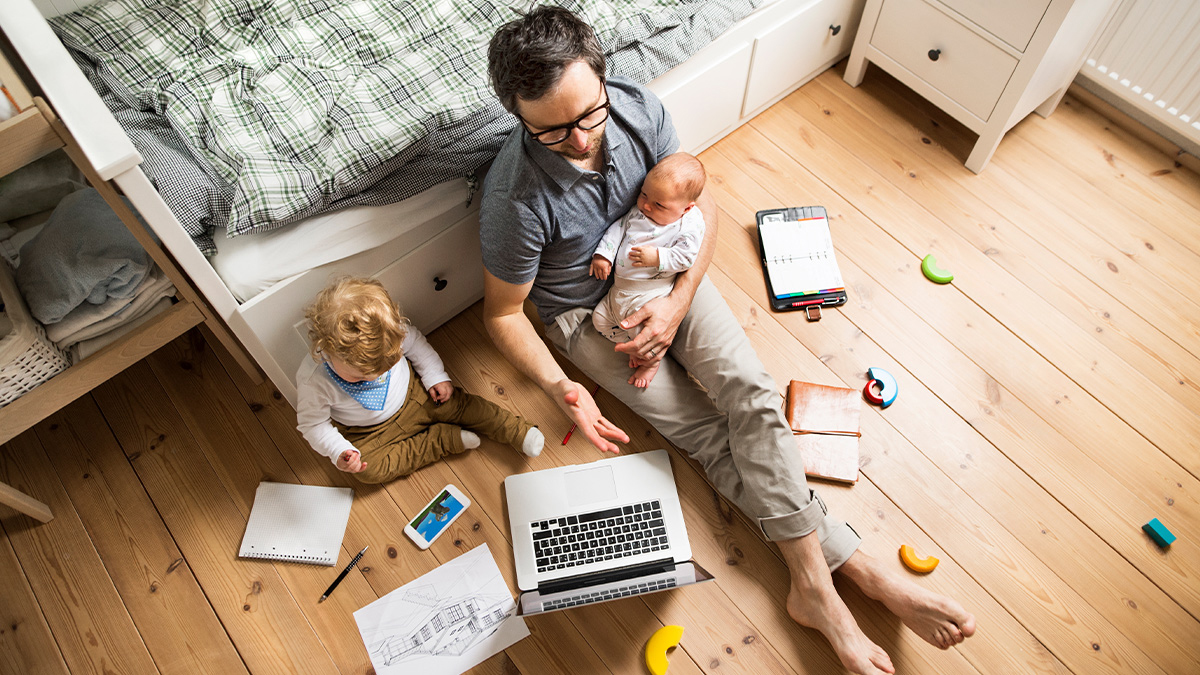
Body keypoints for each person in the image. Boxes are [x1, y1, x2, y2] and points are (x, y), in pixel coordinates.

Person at [478, 6, 975, 674]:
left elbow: (702, 204)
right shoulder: (513, 199)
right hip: (588, 313)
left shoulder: (635, 108)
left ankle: (820, 586)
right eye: (552, 130)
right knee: (708, 433)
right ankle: (847, 575)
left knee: (753, 394)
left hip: (663, 270)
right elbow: (504, 313)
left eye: (587, 114)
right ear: (517, 116)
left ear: (602, 77)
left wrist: (678, 306)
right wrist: (563, 385)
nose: (579, 140)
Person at [296, 277, 544, 483]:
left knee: (464, 405)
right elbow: (313, 425)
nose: (377, 377)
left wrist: (435, 376)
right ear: (326, 349)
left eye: (386, 367)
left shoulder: (391, 330)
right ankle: (441, 440)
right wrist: (340, 451)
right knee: (368, 471)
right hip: (368, 432)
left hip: (418, 394)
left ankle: (517, 431)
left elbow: (418, 348)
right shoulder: (314, 380)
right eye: (360, 376)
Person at [589, 152, 706, 388]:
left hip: (648, 294)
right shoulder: (639, 211)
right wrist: (604, 254)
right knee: (599, 320)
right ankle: (635, 344)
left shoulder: (689, 224)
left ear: (686, 208)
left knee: (645, 332)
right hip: (619, 291)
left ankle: (651, 362)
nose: (645, 205)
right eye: (644, 194)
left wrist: (658, 257)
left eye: (659, 204)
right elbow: (618, 228)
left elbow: (686, 257)